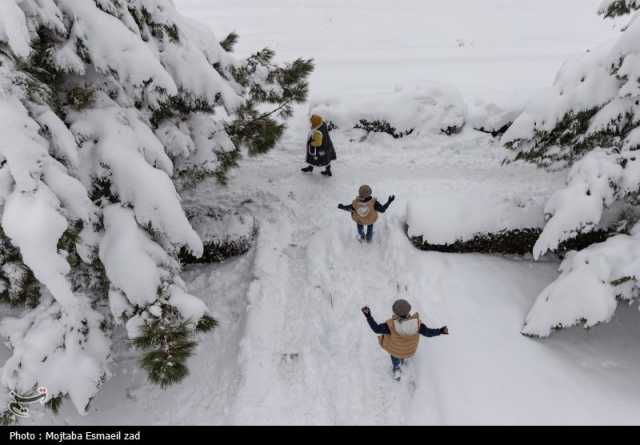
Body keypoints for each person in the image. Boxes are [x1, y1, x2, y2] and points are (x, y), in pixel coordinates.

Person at [361, 299, 448, 381]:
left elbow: (376, 329)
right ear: (408, 311)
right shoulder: (417, 324)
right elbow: (429, 333)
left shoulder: (391, 325)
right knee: (402, 352)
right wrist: (440, 331)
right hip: (410, 351)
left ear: (395, 313)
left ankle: (397, 369)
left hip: (396, 351)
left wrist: (368, 316)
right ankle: (402, 358)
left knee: (395, 355)